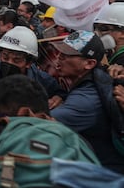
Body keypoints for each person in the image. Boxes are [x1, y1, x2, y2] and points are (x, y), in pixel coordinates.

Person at [50, 30, 124, 174]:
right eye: (60, 52)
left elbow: (40, 123)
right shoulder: (95, 80)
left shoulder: (86, 100)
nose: (59, 57)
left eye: (66, 55)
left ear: (89, 63)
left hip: (106, 177)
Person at [0, 26, 65, 111]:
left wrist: (58, 97)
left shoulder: (40, 78)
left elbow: (61, 93)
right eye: (5, 57)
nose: (9, 63)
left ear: (29, 63)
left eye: (16, 60)